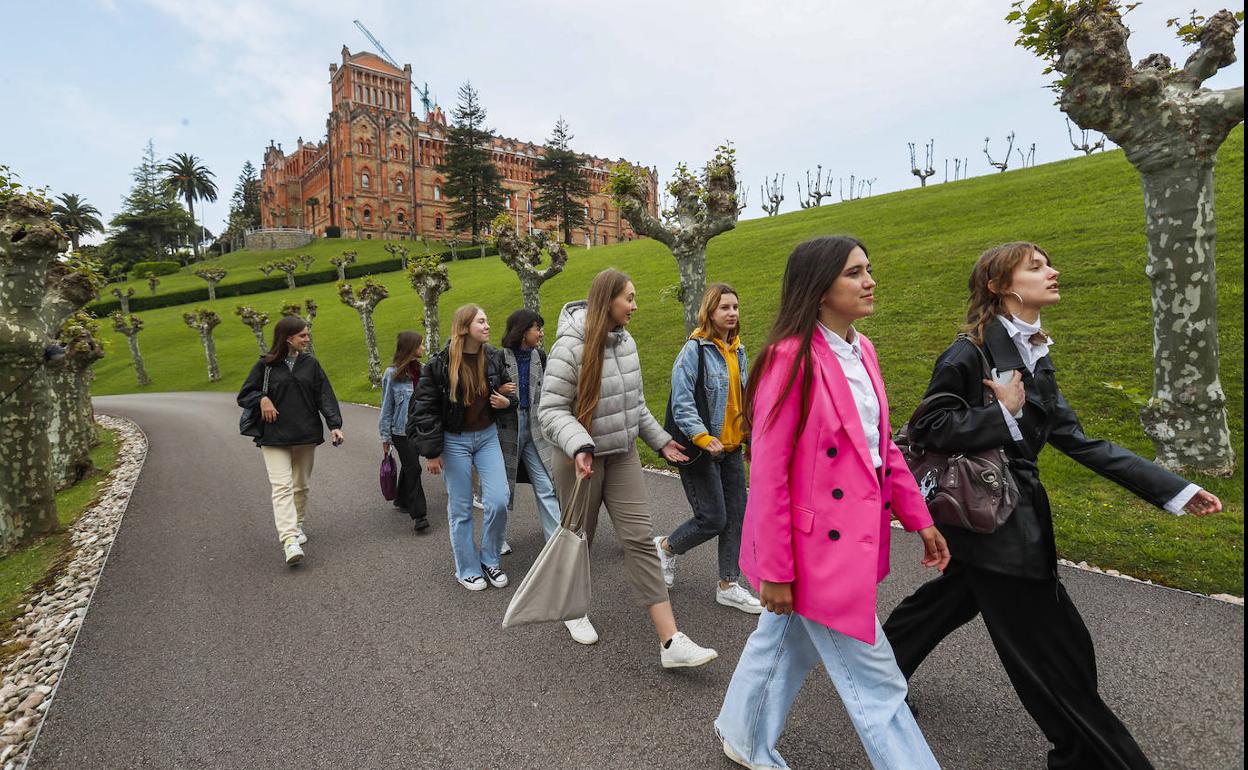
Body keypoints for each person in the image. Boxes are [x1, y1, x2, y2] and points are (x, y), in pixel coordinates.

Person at [882, 242, 1222, 770]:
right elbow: (928, 427)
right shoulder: (969, 352)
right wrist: (1005, 415)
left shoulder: (1035, 352)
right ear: (1000, 285)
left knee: (950, 605)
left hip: (1010, 516)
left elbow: (1076, 440)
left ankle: (876, 680)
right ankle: (1089, 757)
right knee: (1055, 654)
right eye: (1036, 266)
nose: (1053, 271)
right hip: (995, 520)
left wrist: (1173, 489)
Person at [715, 236, 949, 770]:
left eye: (869, 269)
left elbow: (881, 445)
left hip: (852, 538)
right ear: (819, 289)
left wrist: (919, 517)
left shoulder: (861, 349)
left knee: (780, 643)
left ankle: (742, 735)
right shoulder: (787, 360)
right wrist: (775, 570)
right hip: (813, 550)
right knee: (877, 682)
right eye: (854, 273)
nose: (869, 281)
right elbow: (769, 474)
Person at [538, 268, 718, 668]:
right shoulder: (570, 347)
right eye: (629, 299)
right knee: (578, 537)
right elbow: (550, 410)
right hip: (578, 459)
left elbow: (633, 406)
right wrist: (579, 444)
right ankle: (572, 609)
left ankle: (671, 642)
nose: (635, 306)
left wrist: (660, 440)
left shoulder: (627, 343)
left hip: (620, 455)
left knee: (638, 539)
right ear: (608, 300)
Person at [654, 283, 761, 614]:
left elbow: (740, 401)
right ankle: (667, 547)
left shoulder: (738, 350)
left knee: (736, 517)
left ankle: (728, 584)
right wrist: (702, 436)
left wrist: (747, 438)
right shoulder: (694, 350)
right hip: (700, 449)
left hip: (729, 448)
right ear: (710, 312)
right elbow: (683, 401)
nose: (731, 313)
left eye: (735, 307)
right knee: (713, 518)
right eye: (724, 307)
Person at [409, 304, 518, 591]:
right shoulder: (440, 364)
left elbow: (509, 392)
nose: (487, 325)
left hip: (487, 437)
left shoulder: (493, 356)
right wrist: (431, 452)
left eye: (487, 320)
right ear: (464, 326)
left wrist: (507, 402)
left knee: (498, 500)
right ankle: (467, 568)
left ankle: (490, 559)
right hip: (453, 441)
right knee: (461, 509)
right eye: (481, 321)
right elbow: (425, 409)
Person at [237, 315, 344, 566]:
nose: (307, 339)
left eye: (307, 334)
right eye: (302, 336)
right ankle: (289, 540)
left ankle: (297, 524)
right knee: (281, 487)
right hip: (273, 436)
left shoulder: (311, 364)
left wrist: (335, 425)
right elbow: (245, 394)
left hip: (305, 434)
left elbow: (324, 396)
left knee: (300, 484)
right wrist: (262, 399)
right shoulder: (265, 366)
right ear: (288, 339)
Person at [496, 309, 562, 542]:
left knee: (546, 483)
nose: (542, 333)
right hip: (506, 430)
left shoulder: (539, 356)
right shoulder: (499, 357)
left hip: (535, 429)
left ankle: (556, 541)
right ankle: (498, 539)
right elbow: (485, 391)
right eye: (538, 328)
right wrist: (502, 395)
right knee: (501, 490)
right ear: (523, 331)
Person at [380, 331, 428, 532]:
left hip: (420, 429)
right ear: (411, 347)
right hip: (401, 431)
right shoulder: (392, 374)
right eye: (420, 345)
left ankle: (401, 499)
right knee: (414, 468)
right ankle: (419, 515)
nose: (423, 348)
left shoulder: (424, 370)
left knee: (410, 466)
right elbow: (386, 406)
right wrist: (385, 436)